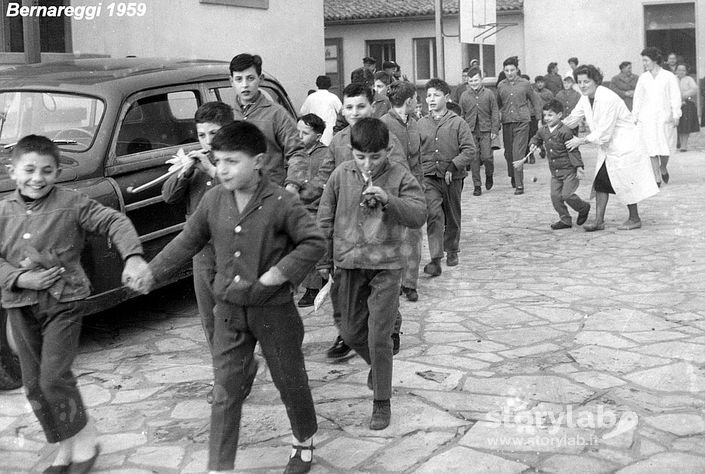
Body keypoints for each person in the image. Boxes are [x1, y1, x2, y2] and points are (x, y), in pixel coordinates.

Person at [130, 121, 325, 474]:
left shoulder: (281, 201)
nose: (222, 169)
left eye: (232, 161)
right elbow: (188, 241)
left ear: (259, 162)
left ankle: (304, 438)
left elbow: (313, 242)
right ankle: (219, 466)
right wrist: (152, 271)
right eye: (218, 160)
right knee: (225, 390)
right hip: (230, 311)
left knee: (289, 379)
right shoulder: (213, 198)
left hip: (274, 312)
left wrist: (280, 273)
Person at [0, 135, 147, 472]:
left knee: (54, 379)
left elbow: (115, 221)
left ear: (57, 172)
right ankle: (64, 447)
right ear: (13, 171)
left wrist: (134, 257)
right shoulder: (3, 212)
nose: (38, 178)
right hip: (20, 306)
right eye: (30, 170)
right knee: (34, 386)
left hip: (64, 303)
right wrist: (19, 278)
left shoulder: (72, 203)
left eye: (47, 171)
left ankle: (85, 444)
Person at [317, 118, 426, 431]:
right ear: (351, 151)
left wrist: (390, 200)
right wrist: (323, 262)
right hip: (349, 264)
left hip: (386, 265)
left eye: (375, 157)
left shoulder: (399, 175)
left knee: (380, 335)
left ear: (386, 151)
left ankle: (381, 400)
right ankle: (378, 368)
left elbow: (419, 215)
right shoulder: (340, 175)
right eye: (360, 156)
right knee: (349, 331)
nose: (367, 163)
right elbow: (324, 220)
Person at [306, 82, 410, 360]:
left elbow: (400, 176)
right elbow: (325, 178)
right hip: (348, 225)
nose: (355, 112)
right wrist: (306, 193)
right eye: (349, 107)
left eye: (361, 106)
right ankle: (347, 334)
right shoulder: (339, 141)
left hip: (381, 223)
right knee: (348, 285)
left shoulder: (386, 138)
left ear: (372, 107)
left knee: (379, 281)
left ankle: (391, 327)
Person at [161, 102, 233, 399]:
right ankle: (224, 380)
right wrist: (185, 171)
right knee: (209, 318)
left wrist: (213, 169)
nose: (208, 141)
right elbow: (168, 197)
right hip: (203, 251)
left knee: (235, 315)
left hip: (233, 249)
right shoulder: (193, 162)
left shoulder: (236, 161)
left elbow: (243, 193)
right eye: (202, 135)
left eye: (214, 133)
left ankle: (238, 366)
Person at [564, 64, 658, 232]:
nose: (583, 85)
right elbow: (573, 118)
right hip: (609, 147)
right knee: (601, 181)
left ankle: (634, 218)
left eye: (587, 81)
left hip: (624, 144)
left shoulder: (607, 98)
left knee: (626, 181)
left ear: (596, 81)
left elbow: (604, 133)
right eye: (580, 82)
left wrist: (581, 140)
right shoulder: (585, 98)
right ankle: (599, 221)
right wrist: (554, 127)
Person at [418, 78, 475, 275]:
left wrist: (454, 164)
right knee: (434, 214)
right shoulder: (420, 124)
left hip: (452, 178)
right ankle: (435, 258)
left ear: (447, 97)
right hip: (429, 177)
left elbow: (470, 150)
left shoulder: (458, 123)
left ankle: (451, 249)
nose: (431, 99)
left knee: (452, 214)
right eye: (428, 96)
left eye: (436, 95)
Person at [229, 53, 307, 194]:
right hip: (238, 195)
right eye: (239, 79)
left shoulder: (277, 114)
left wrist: (292, 186)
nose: (245, 85)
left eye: (250, 78)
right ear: (231, 81)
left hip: (271, 194)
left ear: (261, 79)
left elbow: (297, 152)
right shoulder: (228, 115)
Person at [380, 81, 424, 302]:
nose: (418, 102)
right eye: (416, 99)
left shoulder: (414, 124)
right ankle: (393, 283)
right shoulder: (383, 125)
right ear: (409, 101)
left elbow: (418, 160)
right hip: (391, 190)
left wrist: (421, 187)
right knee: (392, 237)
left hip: (413, 190)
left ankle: (410, 283)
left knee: (414, 236)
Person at [522, 99, 590, 229]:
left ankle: (583, 207)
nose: (546, 118)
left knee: (567, 195)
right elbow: (536, 138)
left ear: (559, 115)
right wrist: (533, 144)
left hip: (569, 170)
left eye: (550, 115)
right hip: (555, 171)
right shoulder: (543, 130)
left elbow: (573, 150)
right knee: (555, 196)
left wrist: (579, 167)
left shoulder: (565, 131)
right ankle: (565, 220)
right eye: (545, 115)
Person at [632, 47, 681, 186]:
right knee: (651, 148)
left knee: (665, 148)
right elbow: (638, 98)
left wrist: (676, 114)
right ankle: (657, 176)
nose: (644, 63)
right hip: (646, 118)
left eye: (646, 60)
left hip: (664, 117)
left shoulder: (668, 76)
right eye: (643, 61)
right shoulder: (643, 78)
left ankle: (663, 167)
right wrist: (635, 115)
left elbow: (675, 96)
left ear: (654, 60)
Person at [296, 113, 330, 307]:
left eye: (305, 133)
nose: (299, 136)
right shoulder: (294, 154)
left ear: (317, 136)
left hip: (318, 208)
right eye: (297, 132)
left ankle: (312, 287)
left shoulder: (325, 155)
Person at [497, 56, 542, 194]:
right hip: (507, 122)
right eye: (507, 70)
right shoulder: (501, 85)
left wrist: (539, 119)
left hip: (522, 122)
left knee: (517, 153)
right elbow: (498, 104)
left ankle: (519, 185)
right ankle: (514, 176)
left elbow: (535, 101)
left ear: (517, 70)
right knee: (508, 153)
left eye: (512, 70)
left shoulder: (525, 84)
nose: (510, 73)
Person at [459, 66, 499, 196]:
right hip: (470, 131)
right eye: (471, 81)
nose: (474, 84)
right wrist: (462, 132)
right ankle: (477, 185)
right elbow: (462, 114)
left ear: (481, 79)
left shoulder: (489, 94)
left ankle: (489, 175)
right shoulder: (464, 96)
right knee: (474, 158)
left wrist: (495, 129)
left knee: (487, 157)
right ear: (468, 82)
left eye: (476, 80)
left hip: (486, 130)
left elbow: (494, 112)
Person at [299, 75, 343, 146]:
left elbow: (302, 113)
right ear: (329, 85)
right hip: (329, 129)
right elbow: (341, 112)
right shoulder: (333, 97)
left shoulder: (311, 97)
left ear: (317, 84)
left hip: (313, 128)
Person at [674, 63, 700, 152]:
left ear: (686, 71)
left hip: (687, 104)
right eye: (679, 70)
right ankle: (677, 143)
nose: (681, 72)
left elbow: (694, 90)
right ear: (676, 70)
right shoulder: (673, 78)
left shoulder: (689, 79)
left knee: (685, 125)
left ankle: (684, 145)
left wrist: (682, 96)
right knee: (677, 125)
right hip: (674, 104)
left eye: (683, 70)